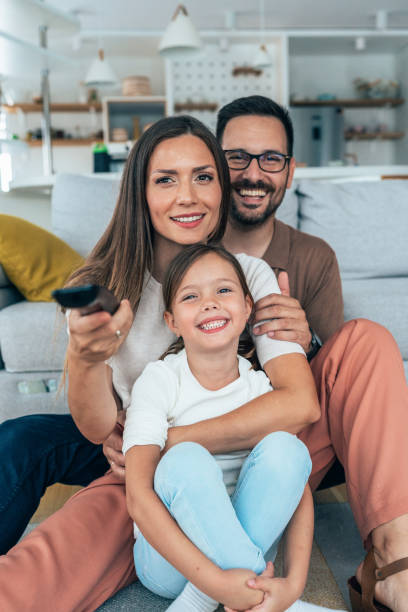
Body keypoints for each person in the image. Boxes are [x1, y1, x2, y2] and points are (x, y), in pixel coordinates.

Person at [0, 115, 320, 611]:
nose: (187, 196)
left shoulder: (247, 276)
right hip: (131, 449)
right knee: (23, 451)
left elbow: (298, 407)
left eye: (203, 176)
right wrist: (85, 359)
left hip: (182, 448)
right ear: (140, 193)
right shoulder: (107, 285)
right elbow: (98, 428)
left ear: (221, 187)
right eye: (165, 179)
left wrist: (158, 445)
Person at [215, 96, 408, 612]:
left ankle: (392, 564)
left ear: (290, 170)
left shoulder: (313, 256)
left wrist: (307, 342)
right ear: (213, 163)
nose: (253, 174)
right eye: (236, 157)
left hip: (288, 442)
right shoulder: (184, 244)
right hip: (202, 438)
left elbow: (339, 378)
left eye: (270, 159)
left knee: (367, 337)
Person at [122, 243, 315, 612]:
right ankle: (224, 591)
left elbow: (297, 487)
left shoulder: (259, 389)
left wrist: (294, 583)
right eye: (191, 296)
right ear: (172, 321)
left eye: (223, 290)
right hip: (169, 565)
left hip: (247, 545)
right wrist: (214, 581)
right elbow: (138, 497)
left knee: (289, 450)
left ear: (247, 309)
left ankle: (214, 595)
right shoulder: (159, 381)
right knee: (185, 459)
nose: (210, 303)